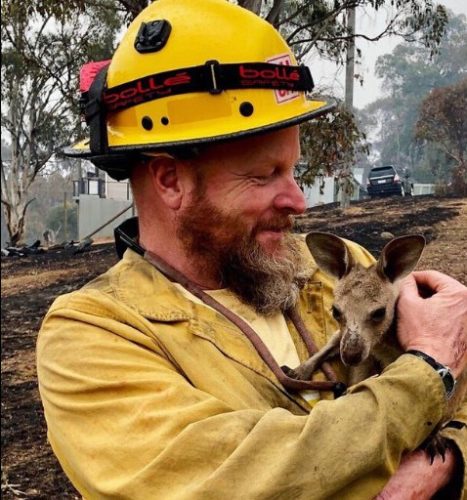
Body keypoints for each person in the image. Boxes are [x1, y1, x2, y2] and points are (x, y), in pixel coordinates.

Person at [36, 0, 466, 498]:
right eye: (264, 176)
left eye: (293, 170)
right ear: (170, 179)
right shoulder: (92, 337)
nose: (299, 202)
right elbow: (233, 482)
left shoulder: (336, 269)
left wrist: (444, 461)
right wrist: (431, 367)